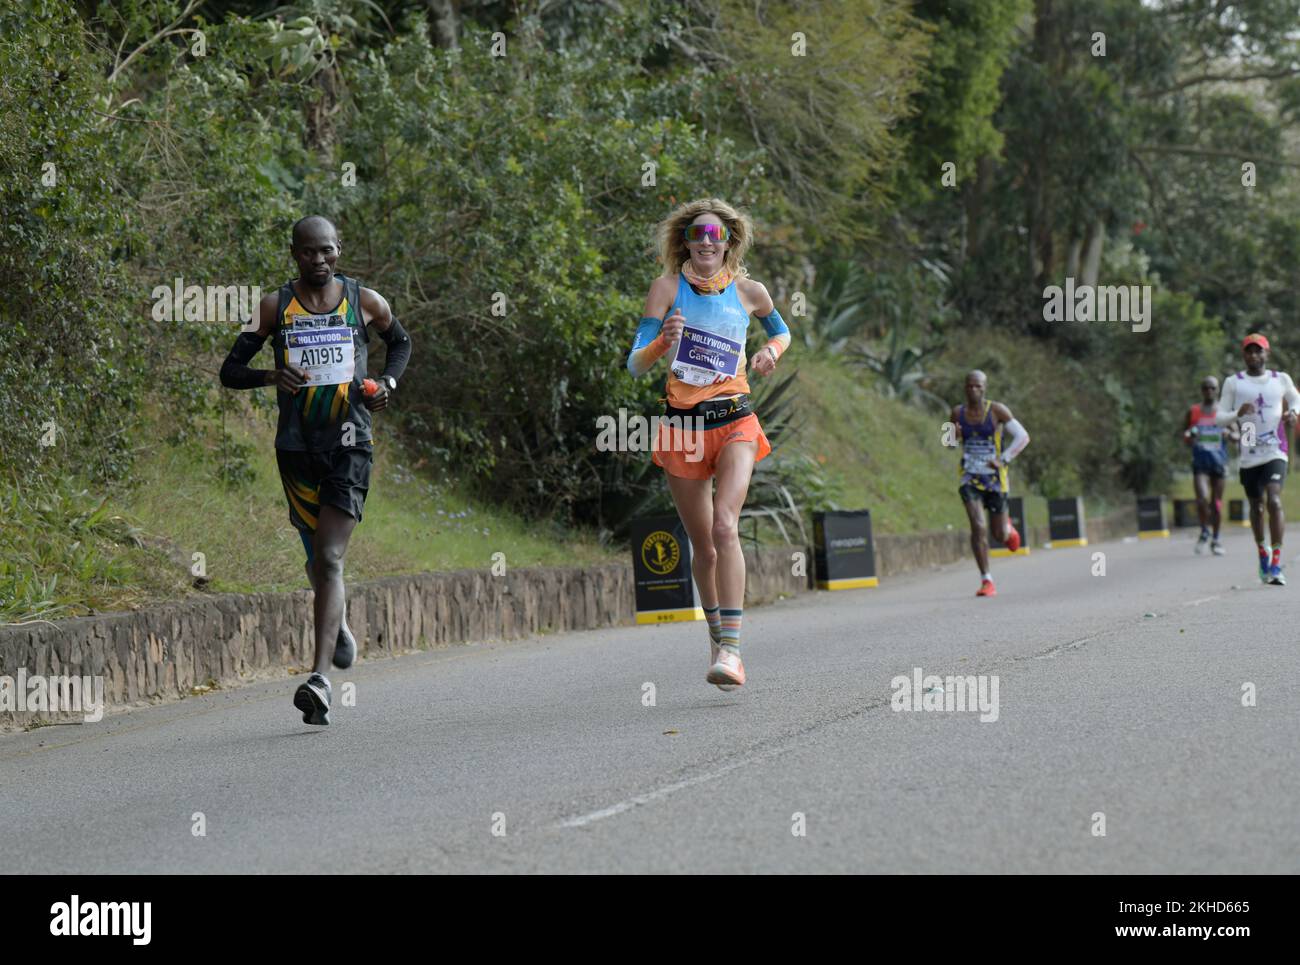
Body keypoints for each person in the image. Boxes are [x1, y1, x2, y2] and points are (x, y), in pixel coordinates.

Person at [219, 215, 411, 723]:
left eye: (326, 251)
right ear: (294, 254)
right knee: (316, 560)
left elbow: (402, 344)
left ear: (339, 250)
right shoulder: (273, 307)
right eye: (309, 252)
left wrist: (387, 385)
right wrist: (270, 374)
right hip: (296, 448)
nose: (319, 260)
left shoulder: (366, 301)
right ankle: (339, 621)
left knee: (328, 558)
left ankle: (319, 680)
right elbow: (229, 371)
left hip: (351, 444)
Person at [627, 198, 790, 690]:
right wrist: (661, 342)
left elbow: (781, 331)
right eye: (696, 235)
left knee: (725, 527)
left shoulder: (748, 291)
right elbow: (635, 363)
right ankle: (718, 637)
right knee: (704, 546)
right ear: (685, 242)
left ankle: (735, 652)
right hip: (683, 428)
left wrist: (768, 351)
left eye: (714, 236)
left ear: (728, 243)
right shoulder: (666, 289)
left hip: (736, 419)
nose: (704, 242)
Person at [1213, 334, 1298, 585]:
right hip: (1249, 446)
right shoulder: (1234, 383)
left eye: (1258, 351)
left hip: (1275, 447)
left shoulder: (1279, 379)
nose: (1254, 355)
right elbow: (1219, 417)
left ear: (1266, 354)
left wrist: (1293, 412)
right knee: (1257, 506)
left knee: (1273, 500)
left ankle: (1276, 562)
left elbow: (1295, 398)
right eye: (1249, 351)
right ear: (1243, 355)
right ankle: (1263, 552)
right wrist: (1236, 414)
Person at [950, 371, 1028, 597]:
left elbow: (1022, 437)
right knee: (978, 526)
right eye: (970, 386)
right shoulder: (957, 412)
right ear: (965, 388)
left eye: (978, 386)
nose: (974, 390)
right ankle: (987, 580)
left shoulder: (997, 411)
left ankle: (1008, 529)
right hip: (969, 478)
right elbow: (949, 444)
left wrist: (1003, 459)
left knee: (998, 534)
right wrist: (953, 435)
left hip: (995, 480)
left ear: (984, 388)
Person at [1183, 376, 1235, 555]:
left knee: (1216, 504)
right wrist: (1190, 435)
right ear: (1201, 390)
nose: (1209, 391)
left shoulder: (1224, 411)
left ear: (1218, 390)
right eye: (1206, 388)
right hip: (1200, 463)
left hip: (1219, 463)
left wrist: (1229, 434)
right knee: (1202, 499)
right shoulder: (1194, 411)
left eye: (1212, 388)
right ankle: (1205, 531)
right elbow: (1185, 436)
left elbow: (1236, 436)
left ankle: (1217, 538)